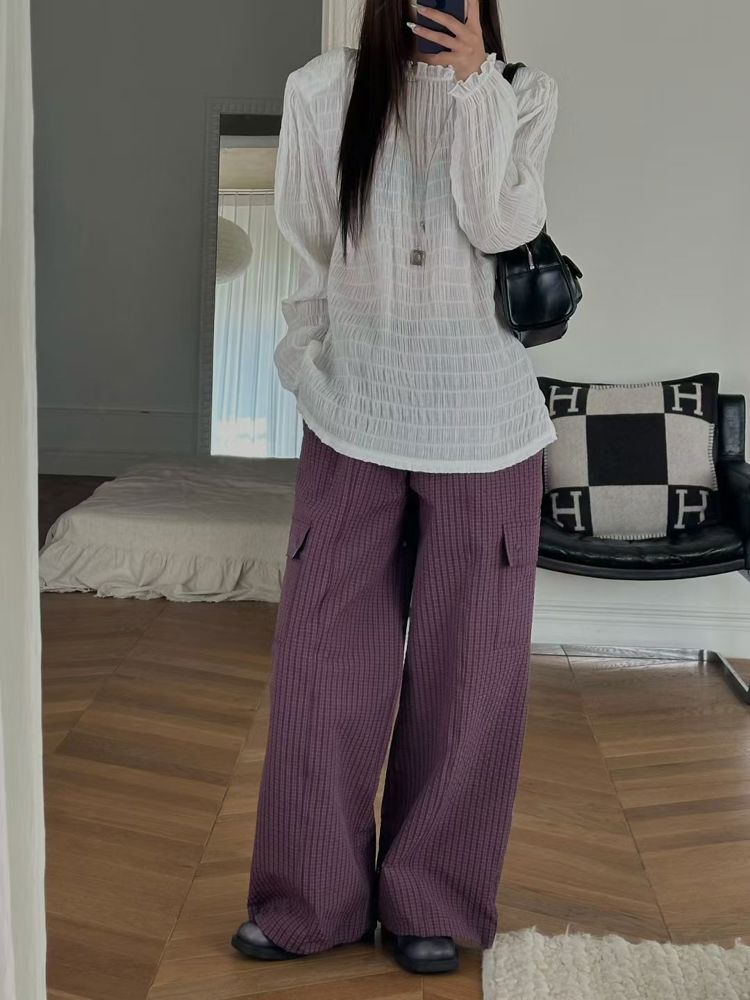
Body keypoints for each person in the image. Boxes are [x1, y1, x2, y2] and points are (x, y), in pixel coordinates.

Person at [232, 0, 559, 975]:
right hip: (354, 414)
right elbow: (310, 244)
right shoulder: (322, 91)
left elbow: (501, 224)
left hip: (486, 425)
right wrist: (304, 363)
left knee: (470, 676)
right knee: (322, 667)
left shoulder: (523, 94)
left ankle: (431, 898)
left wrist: (472, 87)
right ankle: (309, 900)